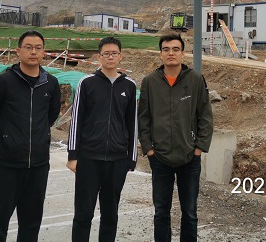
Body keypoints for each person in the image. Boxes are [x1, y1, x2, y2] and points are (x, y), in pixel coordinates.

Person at [0, 30, 61, 242]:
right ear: (18, 51)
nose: (33, 52)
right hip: (7, 165)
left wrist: (38, 136)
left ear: (43, 52)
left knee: (31, 223)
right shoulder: (4, 81)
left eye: (38, 48)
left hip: (38, 166)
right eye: (28, 47)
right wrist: (7, 136)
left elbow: (51, 115)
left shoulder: (51, 83)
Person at [138, 33, 213, 242]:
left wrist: (199, 148)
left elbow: (205, 116)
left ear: (183, 53)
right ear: (160, 54)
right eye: (166, 49)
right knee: (161, 211)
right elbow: (143, 118)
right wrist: (149, 149)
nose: (171, 53)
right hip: (160, 158)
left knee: (189, 212)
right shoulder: (150, 82)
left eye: (175, 49)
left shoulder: (195, 80)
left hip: (189, 157)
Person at [67, 36, 138, 241]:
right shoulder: (86, 83)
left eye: (114, 53)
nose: (110, 57)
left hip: (117, 160)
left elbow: (132, 123)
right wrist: (73, 155)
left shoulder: (129, 86)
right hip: (89, 158)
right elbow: (76, 119)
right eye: (106, 53)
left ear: (121, 56)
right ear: (99, 57)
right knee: (83, 214)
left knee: (110, 215)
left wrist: (131, 158)